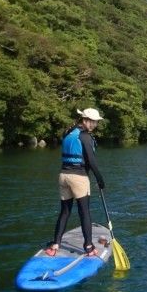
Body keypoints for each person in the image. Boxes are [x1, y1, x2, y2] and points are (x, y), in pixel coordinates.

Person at [44, 107, 107, 257]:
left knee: (65, 211)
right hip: (78, 178)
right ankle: (89, 246)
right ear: (86, 121)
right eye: (94, 122)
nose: (96, 125)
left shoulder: (68, 133)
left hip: (63, 176)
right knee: (84, 212)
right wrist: (100, 180)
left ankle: (55, 244)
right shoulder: (85, 137)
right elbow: (91, 162)